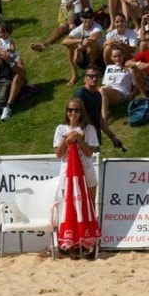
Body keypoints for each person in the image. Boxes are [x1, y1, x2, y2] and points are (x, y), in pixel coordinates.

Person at [53, 97, 100, 258]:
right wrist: (67, 140)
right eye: (70, 110)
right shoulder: (60, 129)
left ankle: (91, 243)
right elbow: (58, 154)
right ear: (66, 112)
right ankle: (72, 243)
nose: (73, 113)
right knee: (70, 208)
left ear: (81, 112)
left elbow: (89, 152)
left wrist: (79, 139)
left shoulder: (88, 129)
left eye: (76, 110)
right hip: (67, 172)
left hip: (86, 172)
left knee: (89, 207)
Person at [73, 65, 126, 149]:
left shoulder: (98, 95)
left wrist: (112, 137)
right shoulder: (80, 95)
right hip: (82, 139)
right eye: (91, 76)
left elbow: (99, 118)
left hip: (95, 138)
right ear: (85, 78)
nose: (94, 78)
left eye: (96, 76)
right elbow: (75, 118)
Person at [0, 20, 27, 121]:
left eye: (4, 32)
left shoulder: (16, 57)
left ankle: (8, 107)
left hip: (11, 82)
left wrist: (10, 62)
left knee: (18, 76)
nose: (2, 34)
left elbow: (24, 74)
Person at [60, 10, 105, 87]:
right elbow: (64, 41)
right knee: (69, 46)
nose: (88, 19)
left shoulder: (97, 27)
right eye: (85, 17)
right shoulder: (79, 29)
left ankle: (91, 71)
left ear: (93, 18)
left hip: (100, 56)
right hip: (85, 54)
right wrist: (80, 40)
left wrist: (81, 47)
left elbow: (93, 38)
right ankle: (74, 75)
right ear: (81, 18)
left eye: (90, 17)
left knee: (92, 42)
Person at [98, 42, 134, 123]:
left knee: (102, 90)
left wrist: (132, 94)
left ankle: (104, 119)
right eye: (114, 56)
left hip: (120, 92)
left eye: (119, 56)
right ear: (111, 57)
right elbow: (105, 83)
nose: (117, 58)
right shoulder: (109, 67)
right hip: (107, 90)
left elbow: (136, 84)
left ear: (123, 56)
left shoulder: (129, 69)